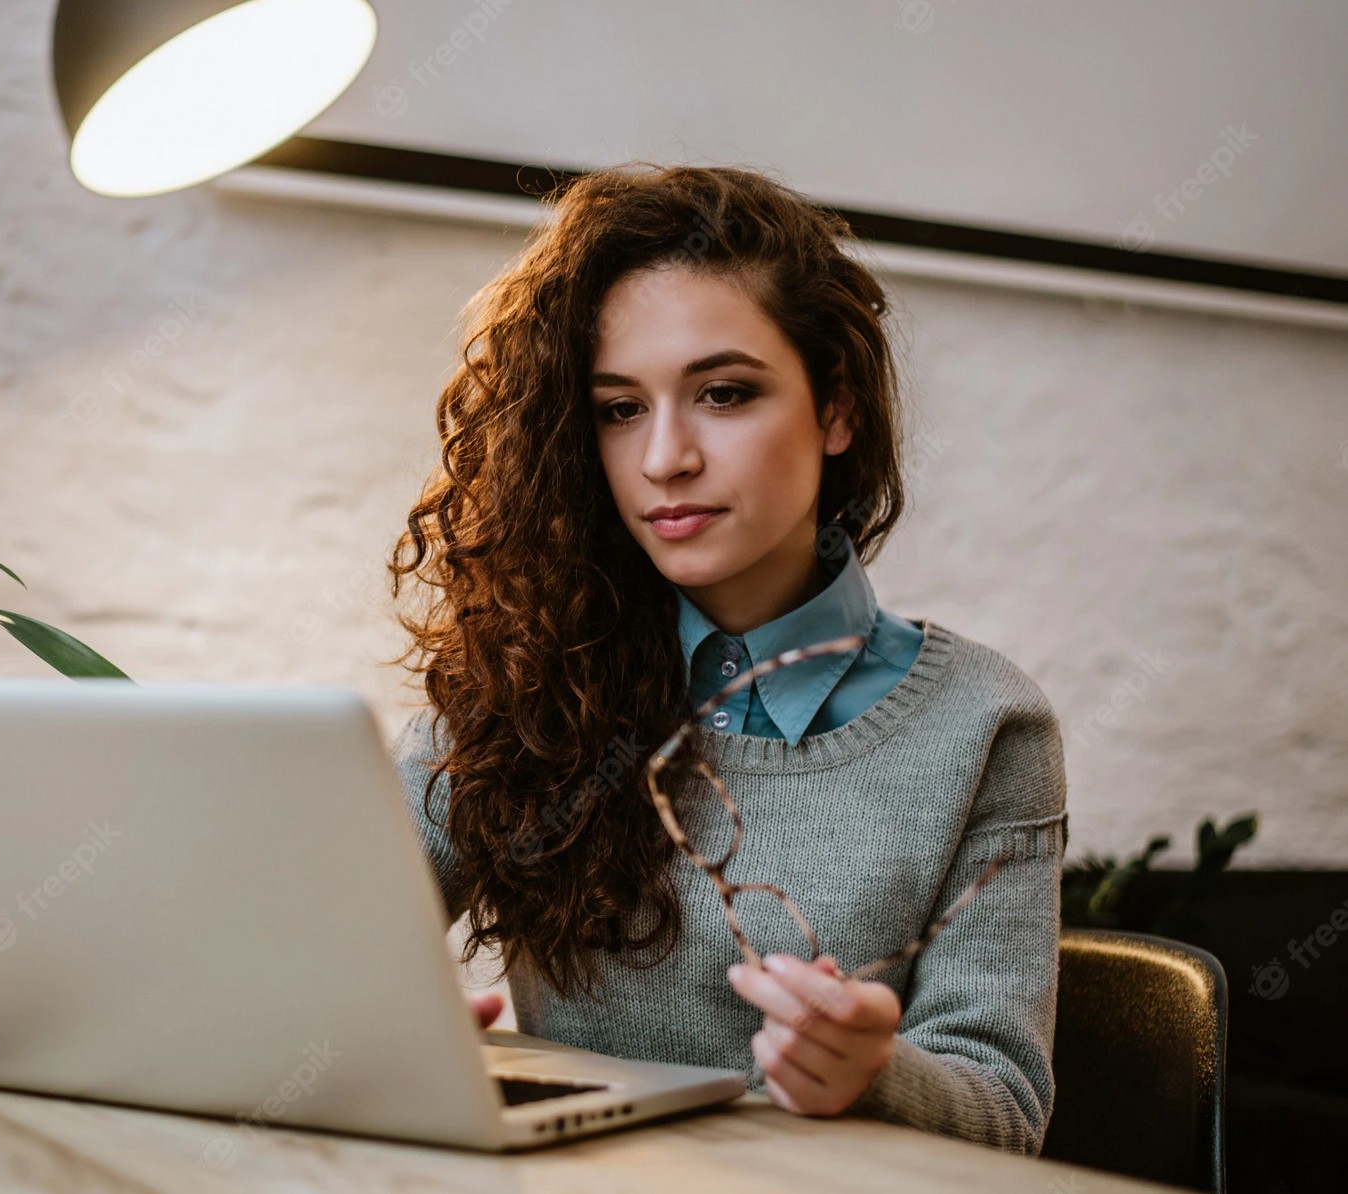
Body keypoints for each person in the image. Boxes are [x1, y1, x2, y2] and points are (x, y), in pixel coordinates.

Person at [384, 163, 1069, 1156]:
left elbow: (1002, 1109)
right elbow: (324, 939)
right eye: (619, 408)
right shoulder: (523, 676)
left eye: (723, 392)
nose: (665, 457)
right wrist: (381, 1028)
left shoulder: (985, 724)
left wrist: (876, 1074)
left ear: (837, 409)